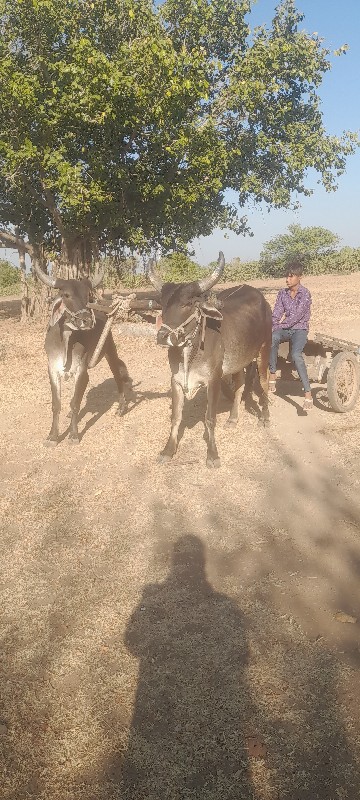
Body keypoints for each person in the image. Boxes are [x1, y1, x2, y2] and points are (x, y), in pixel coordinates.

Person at [269, 261, 313, 410]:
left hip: (300, 329)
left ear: (299, 277)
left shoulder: (305, 294)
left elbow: (296, 317)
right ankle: (272, 373)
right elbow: (276, 314)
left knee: (296, 355)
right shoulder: (282, 293)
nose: (287, 279)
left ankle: (307, 393)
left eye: (291, 276)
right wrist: (272, 325)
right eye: (286, 276)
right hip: (286, 328)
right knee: (272, 339)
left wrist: (278, 326)